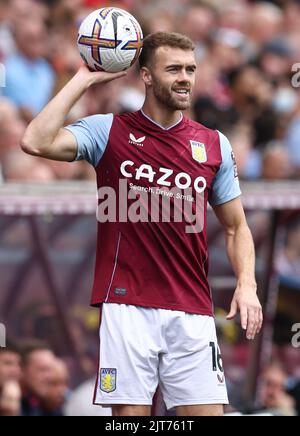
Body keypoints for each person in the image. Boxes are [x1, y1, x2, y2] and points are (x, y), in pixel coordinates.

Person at [21, 32, 263, 417]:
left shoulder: (214, 143)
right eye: (173, 69)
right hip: (127, 306)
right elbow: (35, 140)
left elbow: (236, 228)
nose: (185, 78)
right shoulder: (109, 131)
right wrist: (84, 78)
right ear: (146, 76)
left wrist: (247, 285)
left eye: (190, 69)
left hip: (193, 310)